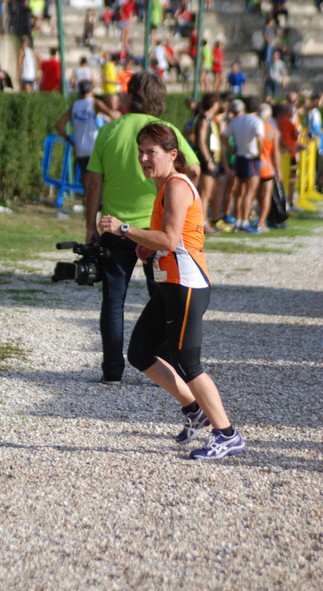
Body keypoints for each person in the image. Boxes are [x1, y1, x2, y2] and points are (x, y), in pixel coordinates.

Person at [99, 122, 245, 459]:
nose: (144, 159)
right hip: (170, 284)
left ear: (172, 155)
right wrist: (146, 247)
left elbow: (171, 239)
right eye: (141, 153)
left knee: (188, 362)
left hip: (187, 284)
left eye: (151, 152)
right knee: (139, 352)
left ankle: (227, 433)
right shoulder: (164, 187)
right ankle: (194, 409)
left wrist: (124, 229)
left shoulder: (177, 186)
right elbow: (166, 239)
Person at [84, 71, 200, 384]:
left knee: (113, 301)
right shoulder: (166, 131)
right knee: (162, 298)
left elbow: (94, 182)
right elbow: (196, 168)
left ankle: (112, 371)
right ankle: (163, 367)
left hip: (114, 226)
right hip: (155, 229)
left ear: (128, 96)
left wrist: (90, 227)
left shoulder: (109, 130)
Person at [55, 80, 121, 198]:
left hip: (80, 149)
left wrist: (69, 140)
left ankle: (89, 211)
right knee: (99, 185)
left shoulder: (74, 106)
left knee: (87, 186)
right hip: (95, 149)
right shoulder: (95, 103)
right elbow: (113, 115)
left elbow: (59, 125)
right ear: (92, 90)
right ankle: (99, 209)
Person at [221, 96, 264, 233]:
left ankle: (238, 220)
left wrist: (231, 148)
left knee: (239, 192)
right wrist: (260, 153)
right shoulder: (257, 121)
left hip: (239, 156)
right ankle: (245, 220)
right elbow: (259, 139)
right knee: (250, 192)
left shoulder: (237, 120)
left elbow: (224, 136)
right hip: (251, 157)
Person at [192, 93, 226, 234]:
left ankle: (204, 221)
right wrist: (208, 160)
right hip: (207, 162)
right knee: (204, 194)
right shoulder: (204, 120)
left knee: (209, 193)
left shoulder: (209, 120)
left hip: (212, 160)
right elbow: (200, 141)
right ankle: (203, 223)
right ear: (213, 104)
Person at [257, 102, 282, 231]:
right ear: (268, 116)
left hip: (254, 164)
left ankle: (249, 218)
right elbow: (275, 153)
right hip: (267, 166)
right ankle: (262, 221)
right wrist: (278, 170)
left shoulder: (254, 127)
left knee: (254, 194)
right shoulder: (272, 131)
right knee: (266, 194)